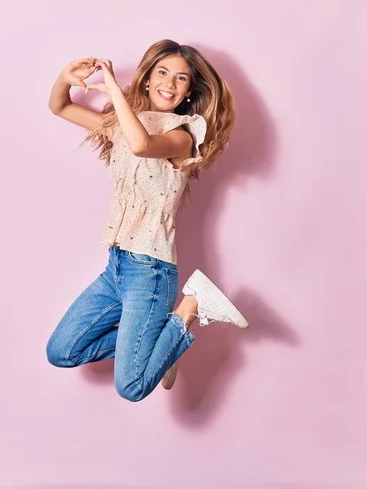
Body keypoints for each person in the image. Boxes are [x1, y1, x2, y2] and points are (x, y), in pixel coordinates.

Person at [45, 39, 249, 402]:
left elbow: (141, 144)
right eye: (163, 72)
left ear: (190, 91)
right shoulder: (122, 125)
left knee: (132, 386)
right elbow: (60, 105)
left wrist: (111, 85)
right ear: (147, 79)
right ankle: (163, 346)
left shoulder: (183, 135)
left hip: (151, 271)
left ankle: (189, 307)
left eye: (181, 78)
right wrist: (65, 75)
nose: (169, 83)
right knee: (62, 350)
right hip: (117, 267)